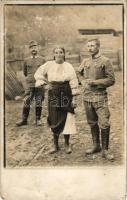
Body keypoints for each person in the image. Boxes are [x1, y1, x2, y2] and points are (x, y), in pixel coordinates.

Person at [34, 47, 79, 154]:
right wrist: (45, 85)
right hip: (53, 94)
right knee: (54, 117)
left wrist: (74, 98)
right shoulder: (49, 65)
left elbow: (73, 81)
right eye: (56, 52)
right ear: (53, 54)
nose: (59, 54)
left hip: (66, 93)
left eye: (61, 52)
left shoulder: (69, 66)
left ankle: (67, 144)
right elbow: (37, 74)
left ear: (64, 54)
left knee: (67, 117)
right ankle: (55, 145)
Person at [78, 38, 115, 160]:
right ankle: (96, 146)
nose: (90, 48)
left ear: (98, 46)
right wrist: (82, 81)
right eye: (88, 46)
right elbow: (78, 73)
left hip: (100, 96)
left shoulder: (106, 60)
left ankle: (105, 150)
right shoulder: (85, 61)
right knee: (92, 122)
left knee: (104, 123)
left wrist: (95, 82)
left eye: (92, 46)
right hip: (87, 96)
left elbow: (111, 80)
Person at [16, 40, 45, 126]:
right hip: (30, 85)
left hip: (39, 85)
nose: (33, 49)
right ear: (29, 49)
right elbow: (25, 73)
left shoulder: (43, 60)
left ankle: (38, 119)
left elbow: (46, 72)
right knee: (26, 101)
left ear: (38, 48)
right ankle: (24, 120)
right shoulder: (26, 60)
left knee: (39, 101)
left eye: (35, 47)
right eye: (31, 47)